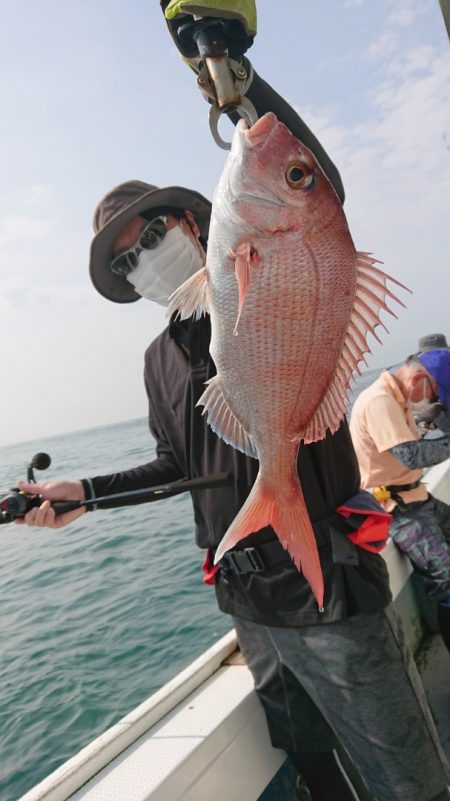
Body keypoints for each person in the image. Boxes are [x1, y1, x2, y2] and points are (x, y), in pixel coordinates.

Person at [15, 3, 450, 800]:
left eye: (150, 235)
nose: (144, 257)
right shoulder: (158, 360)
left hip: (327, 592)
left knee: (407, 779)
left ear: (191, 219)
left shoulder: (256, 271)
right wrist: (84, 493)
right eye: (127, 260)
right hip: (247, 602)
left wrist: (234, 73)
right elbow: (179, 466)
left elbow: (317, 186)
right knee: (313, 765)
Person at [350, 352, 450, 655]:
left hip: (417, 498)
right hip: (399, 511)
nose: (434, 402)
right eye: (435, 395)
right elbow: (411, 456)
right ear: (418, 380)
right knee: (446, 583)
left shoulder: (399, 399)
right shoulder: (379, 401)